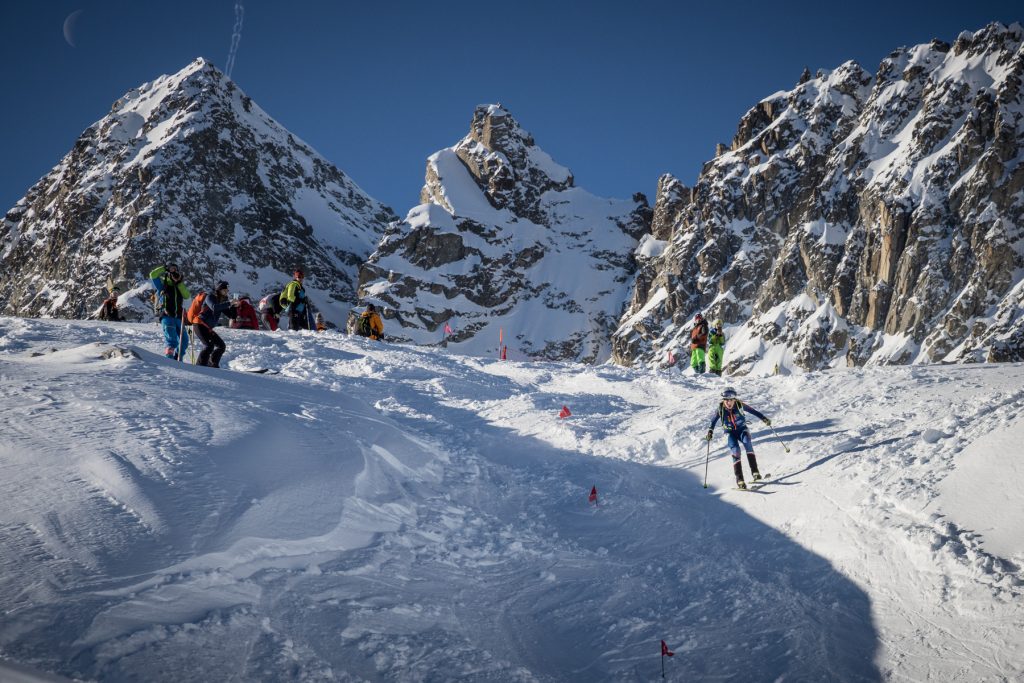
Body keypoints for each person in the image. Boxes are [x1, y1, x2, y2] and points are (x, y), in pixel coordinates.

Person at [706, 387, 772, 489]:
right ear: (723, 400)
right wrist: (710, 431)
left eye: (731, 400)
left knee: (747, 442)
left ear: (734, 399)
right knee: (736, 451)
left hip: (742, 429)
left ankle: (755, 472)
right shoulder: (720, 409)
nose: (729, 402)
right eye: (726, 400)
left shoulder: (739, 404)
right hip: (730, 432)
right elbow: (713, 421)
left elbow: (753, 411)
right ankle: (740, 480)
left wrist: (764, 418)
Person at [187, 281, 237, 368]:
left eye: (227, 290)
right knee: (209, 346)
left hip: (207, 327)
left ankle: (212, 365)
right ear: (219, 290)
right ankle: (200, 367)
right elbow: (214, 307)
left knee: (221, 346)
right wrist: (229, 303)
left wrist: (234, 307)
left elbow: (232, 316)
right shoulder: (210, 297)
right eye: (224, 290)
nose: (226, 292)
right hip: (199, 324)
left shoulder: (223, 300)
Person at [149, 264, 190, 360]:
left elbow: (187, 295)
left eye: (176, 271)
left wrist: (179, 282)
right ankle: (169, 360)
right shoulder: (163, 285)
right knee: (172, 341)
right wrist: (165, 268)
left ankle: (177, 358)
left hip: (179, 317)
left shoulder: (179, 286)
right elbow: (153, 275)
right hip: (167, 316)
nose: (174, 273)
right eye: (172, 271)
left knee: (184, 341)